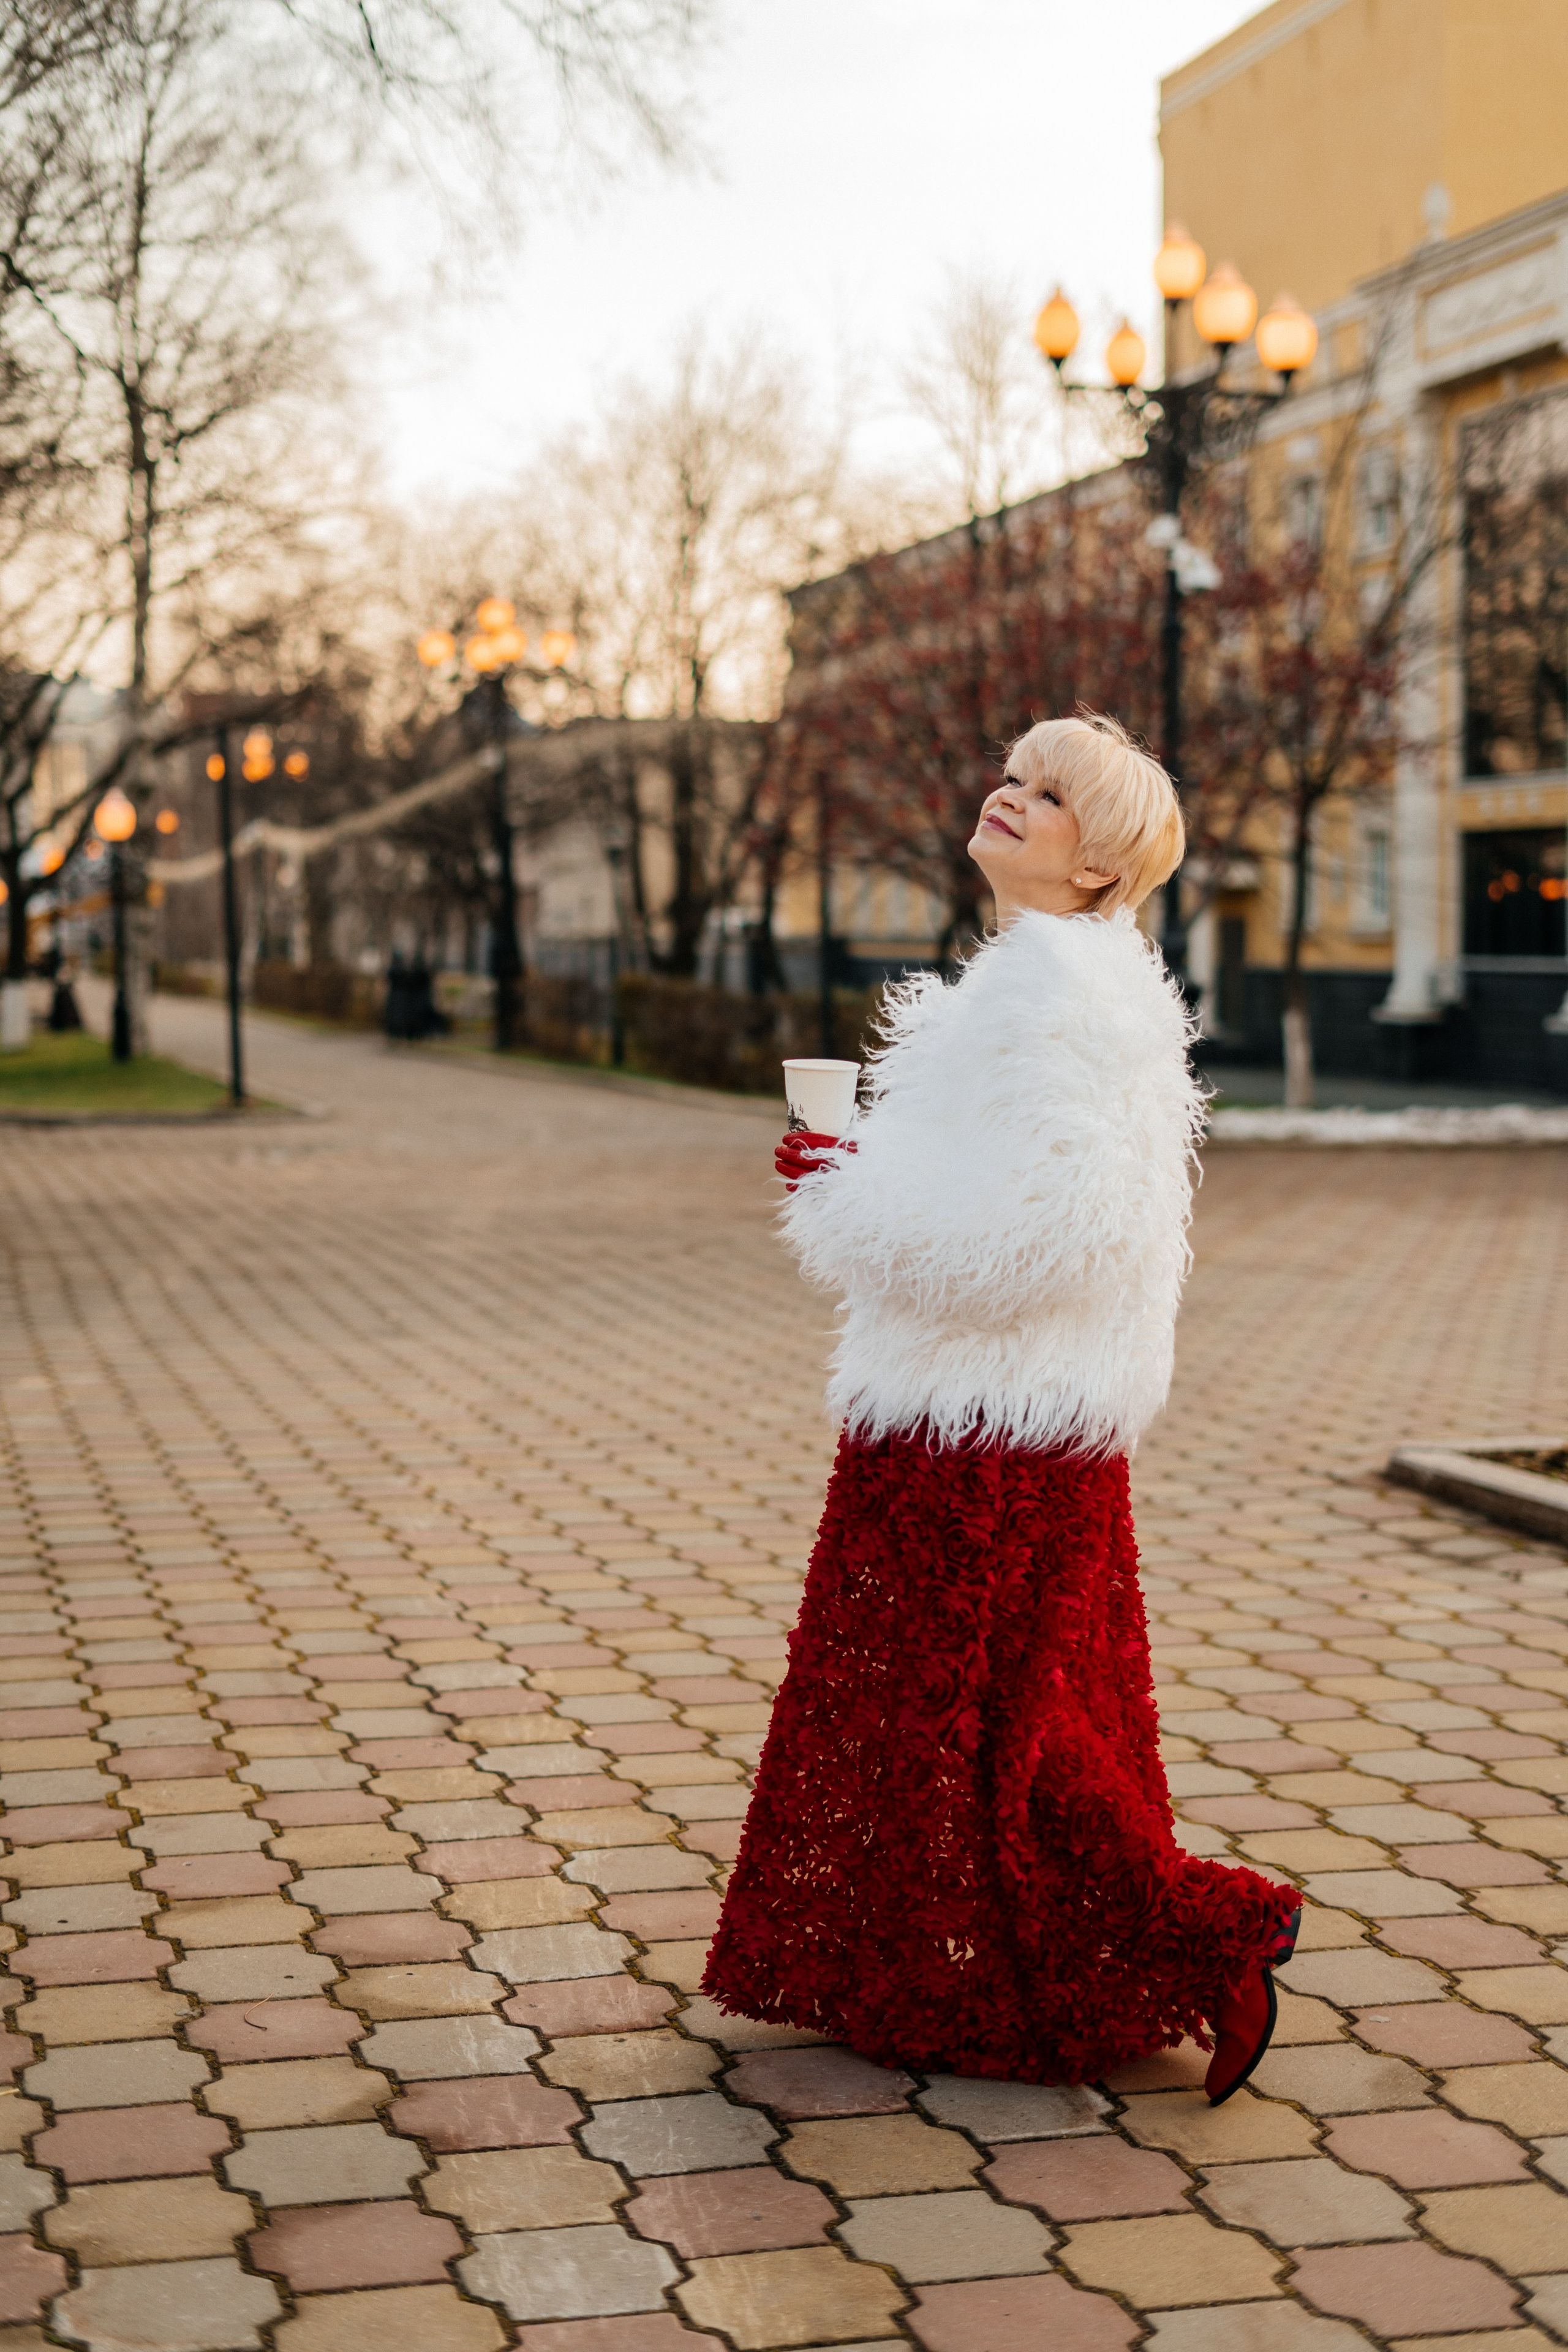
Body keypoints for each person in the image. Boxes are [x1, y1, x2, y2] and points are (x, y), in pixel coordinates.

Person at [703, 712, 1300, 2105]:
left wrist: (842, 1196)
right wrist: (853, 1157)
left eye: (1051, 795)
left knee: (1000, 1732)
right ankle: (926, 1979)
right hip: (986, 1409)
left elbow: (1056, 1230)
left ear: (1099, 865)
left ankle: (1206, 1938)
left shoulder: (1060, 993)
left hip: (988, 1429)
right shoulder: (1037, 980)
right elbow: (992, 1179)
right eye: (1013, 778)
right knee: (964, 1722)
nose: (1011, 798)